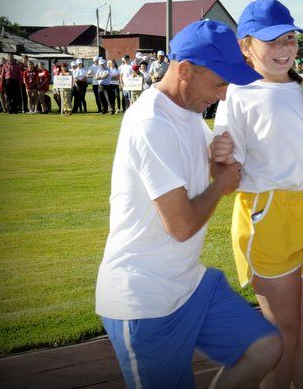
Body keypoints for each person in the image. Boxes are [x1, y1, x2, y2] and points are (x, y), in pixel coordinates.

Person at [95, 19, 282, 389]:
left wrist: (218, 159)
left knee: (264, 347)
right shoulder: (151, 124)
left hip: (187, 283)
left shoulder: (189, 115)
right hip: (144, 299)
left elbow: (211, 170)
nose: (224, 95)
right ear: (184, 70)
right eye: (219, 83)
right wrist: (221, 183)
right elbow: (180, 226)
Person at [212, 0, 303, 389]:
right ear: (246, 47)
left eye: (290, 39)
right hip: (269, 213)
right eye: (272, 41)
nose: (284, 48)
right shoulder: (238, 93)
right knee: (284, 331)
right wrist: (220, 159)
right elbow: (228, 168)